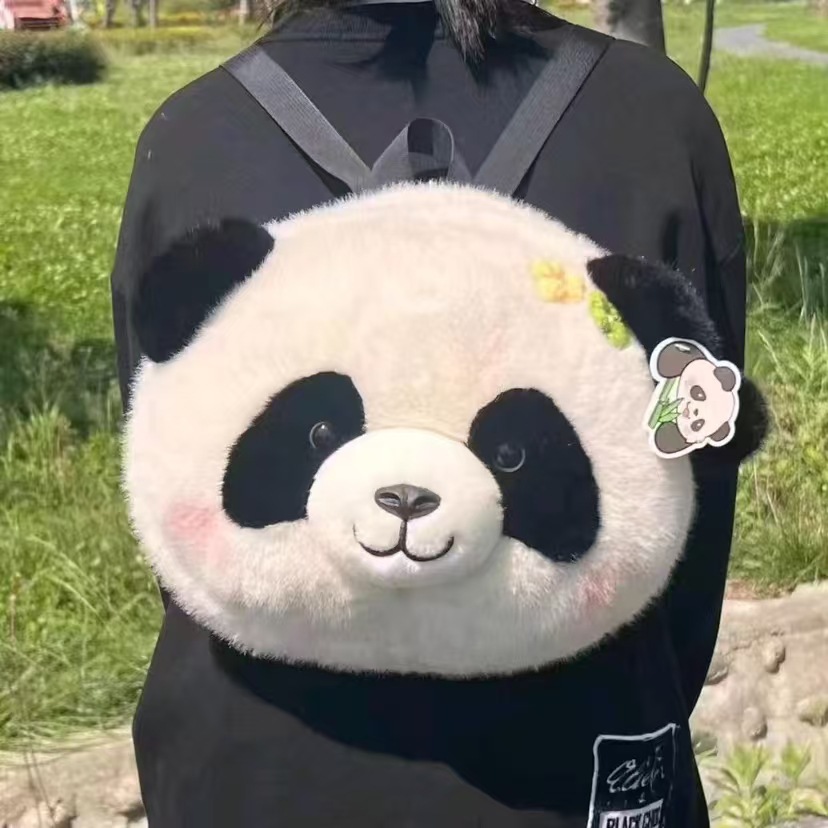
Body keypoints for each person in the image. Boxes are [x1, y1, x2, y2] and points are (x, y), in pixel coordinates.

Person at [110, 0, 747, 823]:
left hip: (255, 770)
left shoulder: (194, 139)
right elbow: (694, 496)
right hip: (573, 760)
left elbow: (166, 461)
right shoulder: (652, 121)